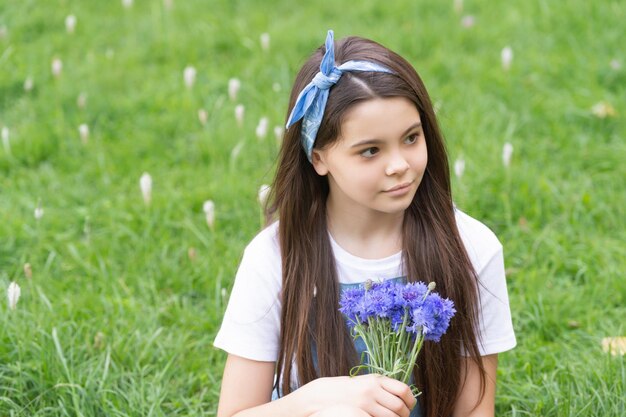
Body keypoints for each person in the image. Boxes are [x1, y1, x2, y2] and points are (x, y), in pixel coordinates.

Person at [214, 30, 516, 417]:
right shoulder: (276, 256)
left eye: (411, 138)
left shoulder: (471, 247)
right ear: (319, 158)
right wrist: (322, 397)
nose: (399, 165)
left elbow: (473, 410)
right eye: (370, 150)